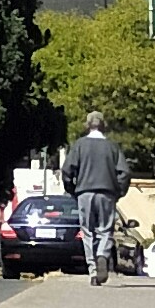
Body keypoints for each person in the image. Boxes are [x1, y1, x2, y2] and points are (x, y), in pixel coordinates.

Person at [66, 112, 130, 284]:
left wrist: (72, 189)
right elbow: (124, 172)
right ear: (103, 125)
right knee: (105, 230)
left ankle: (93, 271)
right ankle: (102, 254)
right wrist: (119, 191)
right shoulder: (112, 147)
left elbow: (67, 171)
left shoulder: (79, 145)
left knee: (87, 231)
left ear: (88, 125)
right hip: (106, 193)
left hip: (84, 192)